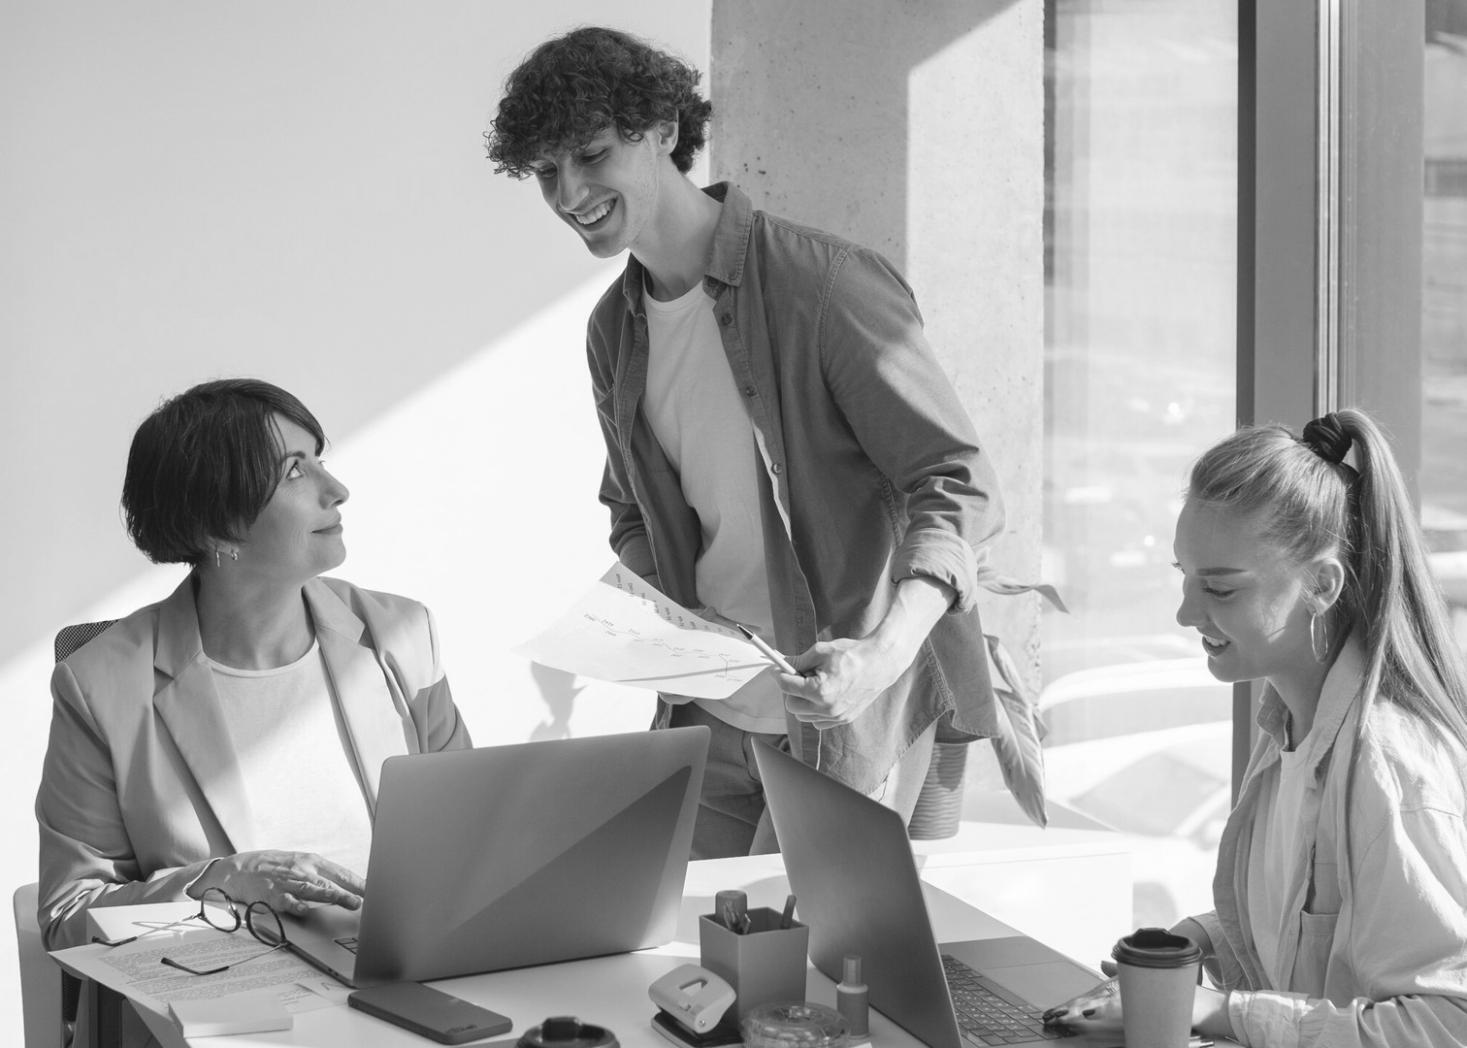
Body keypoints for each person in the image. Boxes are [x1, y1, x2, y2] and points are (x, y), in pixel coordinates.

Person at [486, 27, 1006, 857]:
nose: (569, 192)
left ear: (662, 131)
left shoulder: (822, 284)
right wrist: (662, 624)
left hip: (847, 714)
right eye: (546, 171)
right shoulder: (614, 328)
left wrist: (883, 652)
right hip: (710, 715)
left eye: (590, 154)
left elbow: (955, 479)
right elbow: (631, 509)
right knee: (679, 936)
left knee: (810, 941)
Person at [1043, 409, 1467, 1046]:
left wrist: (1212, 1010)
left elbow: (1449, 1023)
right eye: (1185, 578)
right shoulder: (1290, 724)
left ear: (1321, 585)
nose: (1186, 613)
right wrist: (1199, 942)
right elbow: (1321, 929)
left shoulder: (1389, 767)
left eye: (1220, 589)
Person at [36, 378, 473, 952]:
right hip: (220, 989)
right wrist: (219, 882)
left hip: (401, 970)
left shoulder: (403, 635)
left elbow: (473, 838)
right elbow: (68, 917)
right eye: (294, 472)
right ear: (215, 525)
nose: (337, 490)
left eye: (319, 461)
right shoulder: (96, 685)